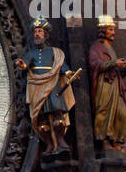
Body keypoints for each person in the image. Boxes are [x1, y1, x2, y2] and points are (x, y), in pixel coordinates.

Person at [16, 19, 79, 152]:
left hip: (53, 84)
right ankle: (49, 143)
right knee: (42, 119)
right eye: (35, 32)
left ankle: (61, 141)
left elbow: (60, 65)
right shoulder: (31, 54)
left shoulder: (54, 52)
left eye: (39, 31)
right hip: (37, 87)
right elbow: (26, 64)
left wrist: (67, 73)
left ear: (45, 34)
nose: (37, 34)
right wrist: (22, 64)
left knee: (58, 114)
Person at [89, 16, 126, 149]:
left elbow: (115, 67)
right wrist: (114, 63)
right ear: (103, 31)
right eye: (110, 29)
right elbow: (94, 63)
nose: (113, 32)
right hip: (105, 84)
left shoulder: (110, 48)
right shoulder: (97, 46)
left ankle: (116, 141)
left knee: (122, 113)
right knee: (104, 110)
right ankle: (104, 141)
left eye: (113, 30)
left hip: (115, 83)